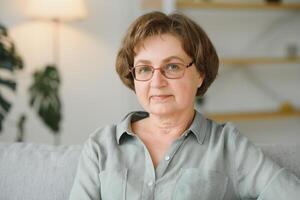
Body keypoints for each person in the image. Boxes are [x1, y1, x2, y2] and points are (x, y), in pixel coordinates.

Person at [69, 11, 300, 200]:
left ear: (199, 73)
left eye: (172, 66)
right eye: (145, 69)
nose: (157, 82)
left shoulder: (229, 146)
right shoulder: (101, 147)